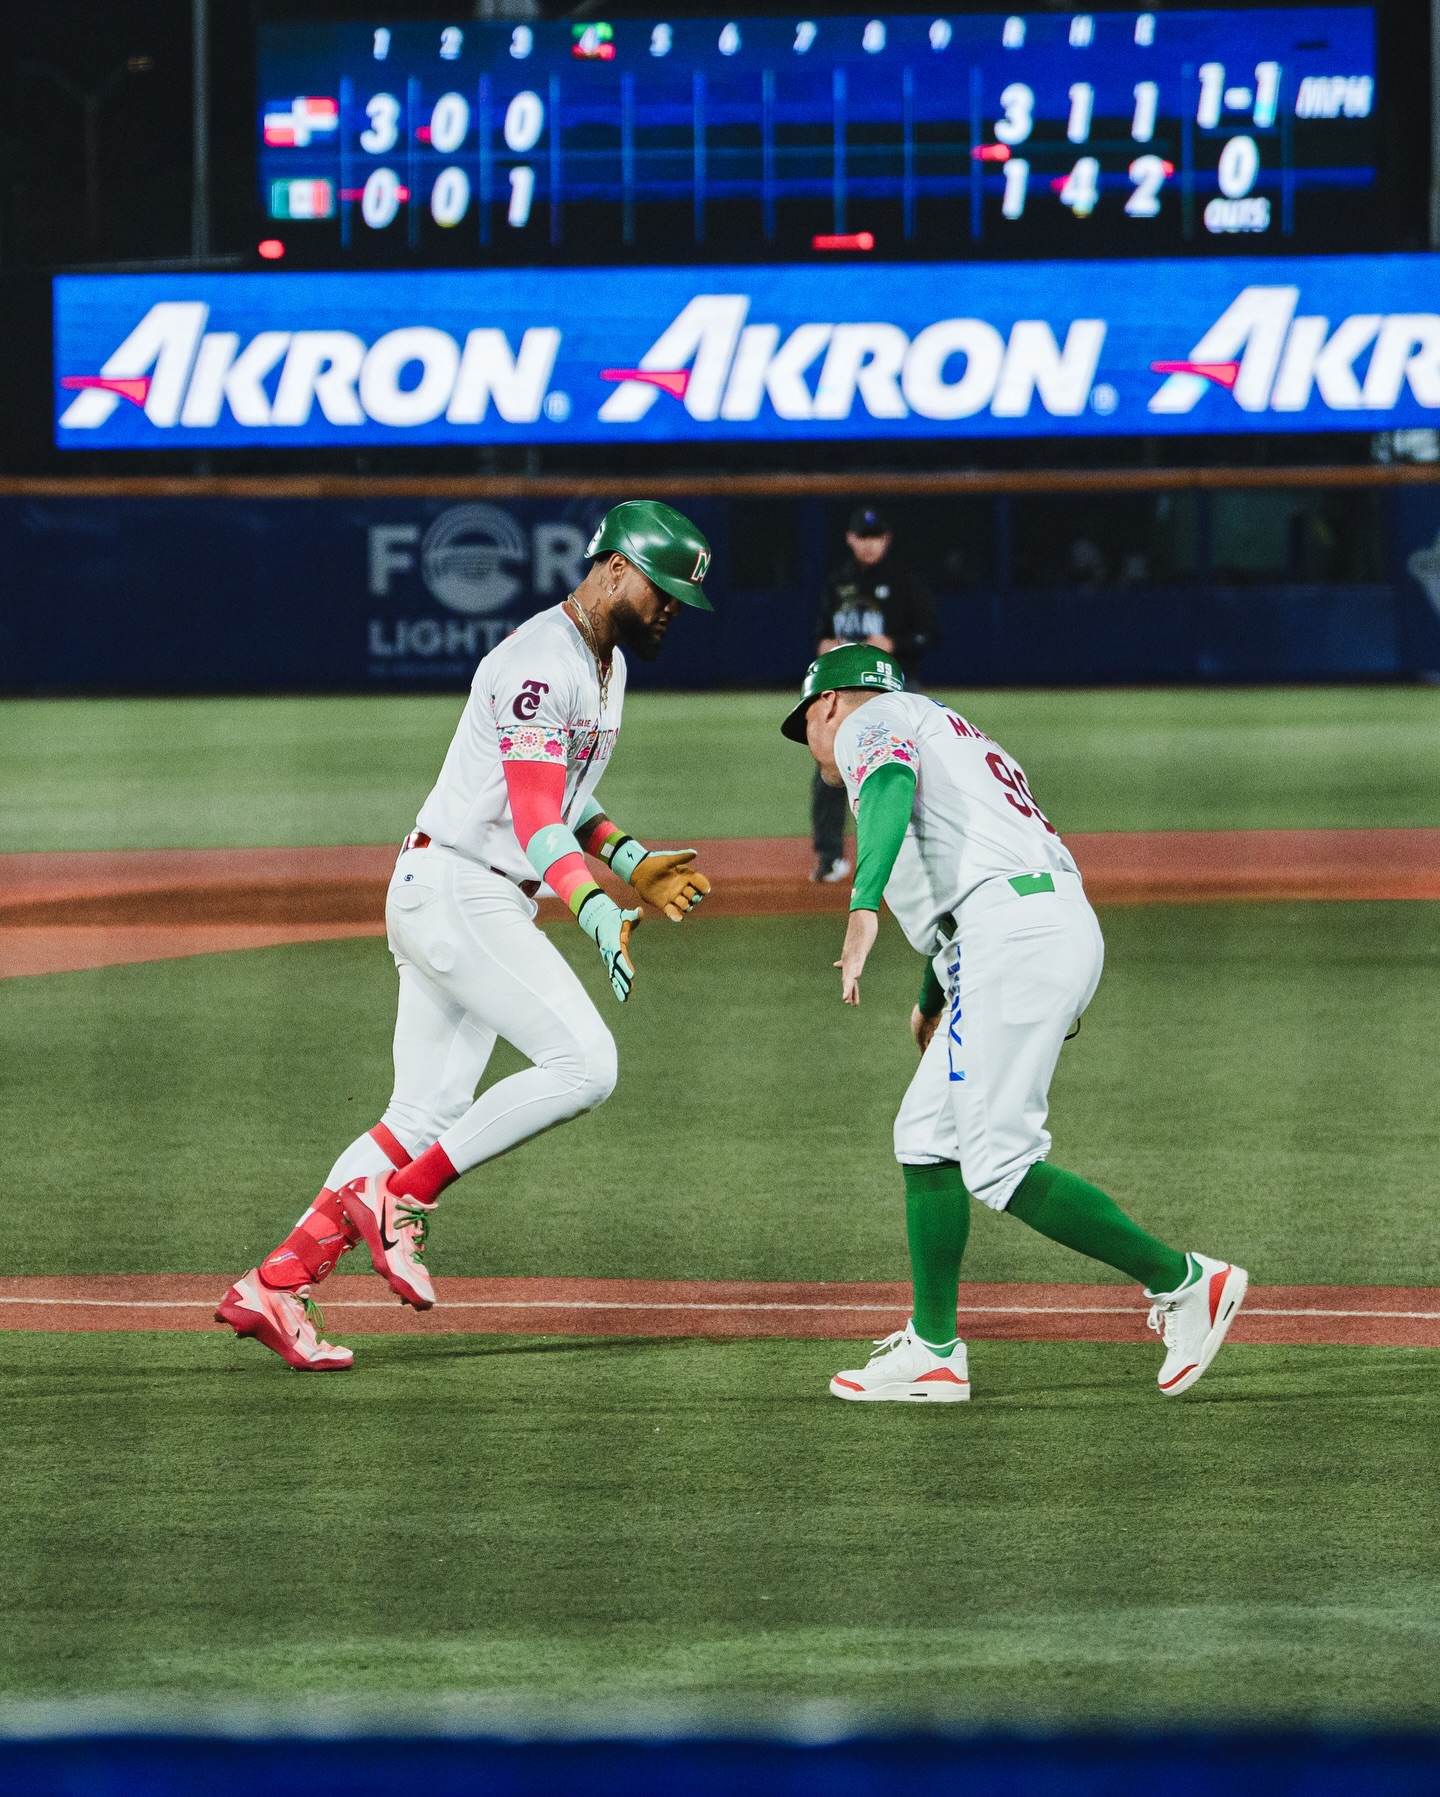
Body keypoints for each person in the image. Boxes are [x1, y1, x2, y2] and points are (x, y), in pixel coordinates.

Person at [217, 501, 716, 1370]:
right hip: (460, 890)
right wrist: (594, 906)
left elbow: (566, 793)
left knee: (420, 1114)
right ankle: (402, 1198)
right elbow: (533, 815)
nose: (672, 606)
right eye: (662, 588)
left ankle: (276, 1282)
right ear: (613, 569)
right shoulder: (538, 661)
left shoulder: (603, 664)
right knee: (586, 1065)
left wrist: (629, 859)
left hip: (461, 894)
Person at [781, 644, 1247, 1403]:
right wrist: (933, 996)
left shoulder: (872, 722)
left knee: (998, 1160)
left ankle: (1187, 1281)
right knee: (926, 1138)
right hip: (1028, 926)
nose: (808, 742)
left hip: (1013, 938)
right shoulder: (954, 733)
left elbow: (891, 787)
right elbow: (966, 872)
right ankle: (934, 1352)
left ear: (828, 702)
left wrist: (862, 905)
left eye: (804, 722)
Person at [810, 505, 939, 884]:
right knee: (829, 768)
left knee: (909, 771)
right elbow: (820, 633)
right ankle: (829, 857)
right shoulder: (838, 583)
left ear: (887, 539)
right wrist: (824, 644)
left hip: (897, 689)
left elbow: (932, 634)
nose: (869, 544)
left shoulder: (905, 581)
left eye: (876, 537)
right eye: (863, 537)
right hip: (847, 691)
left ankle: (920, 857)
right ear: (850, 539)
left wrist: (895, 643)